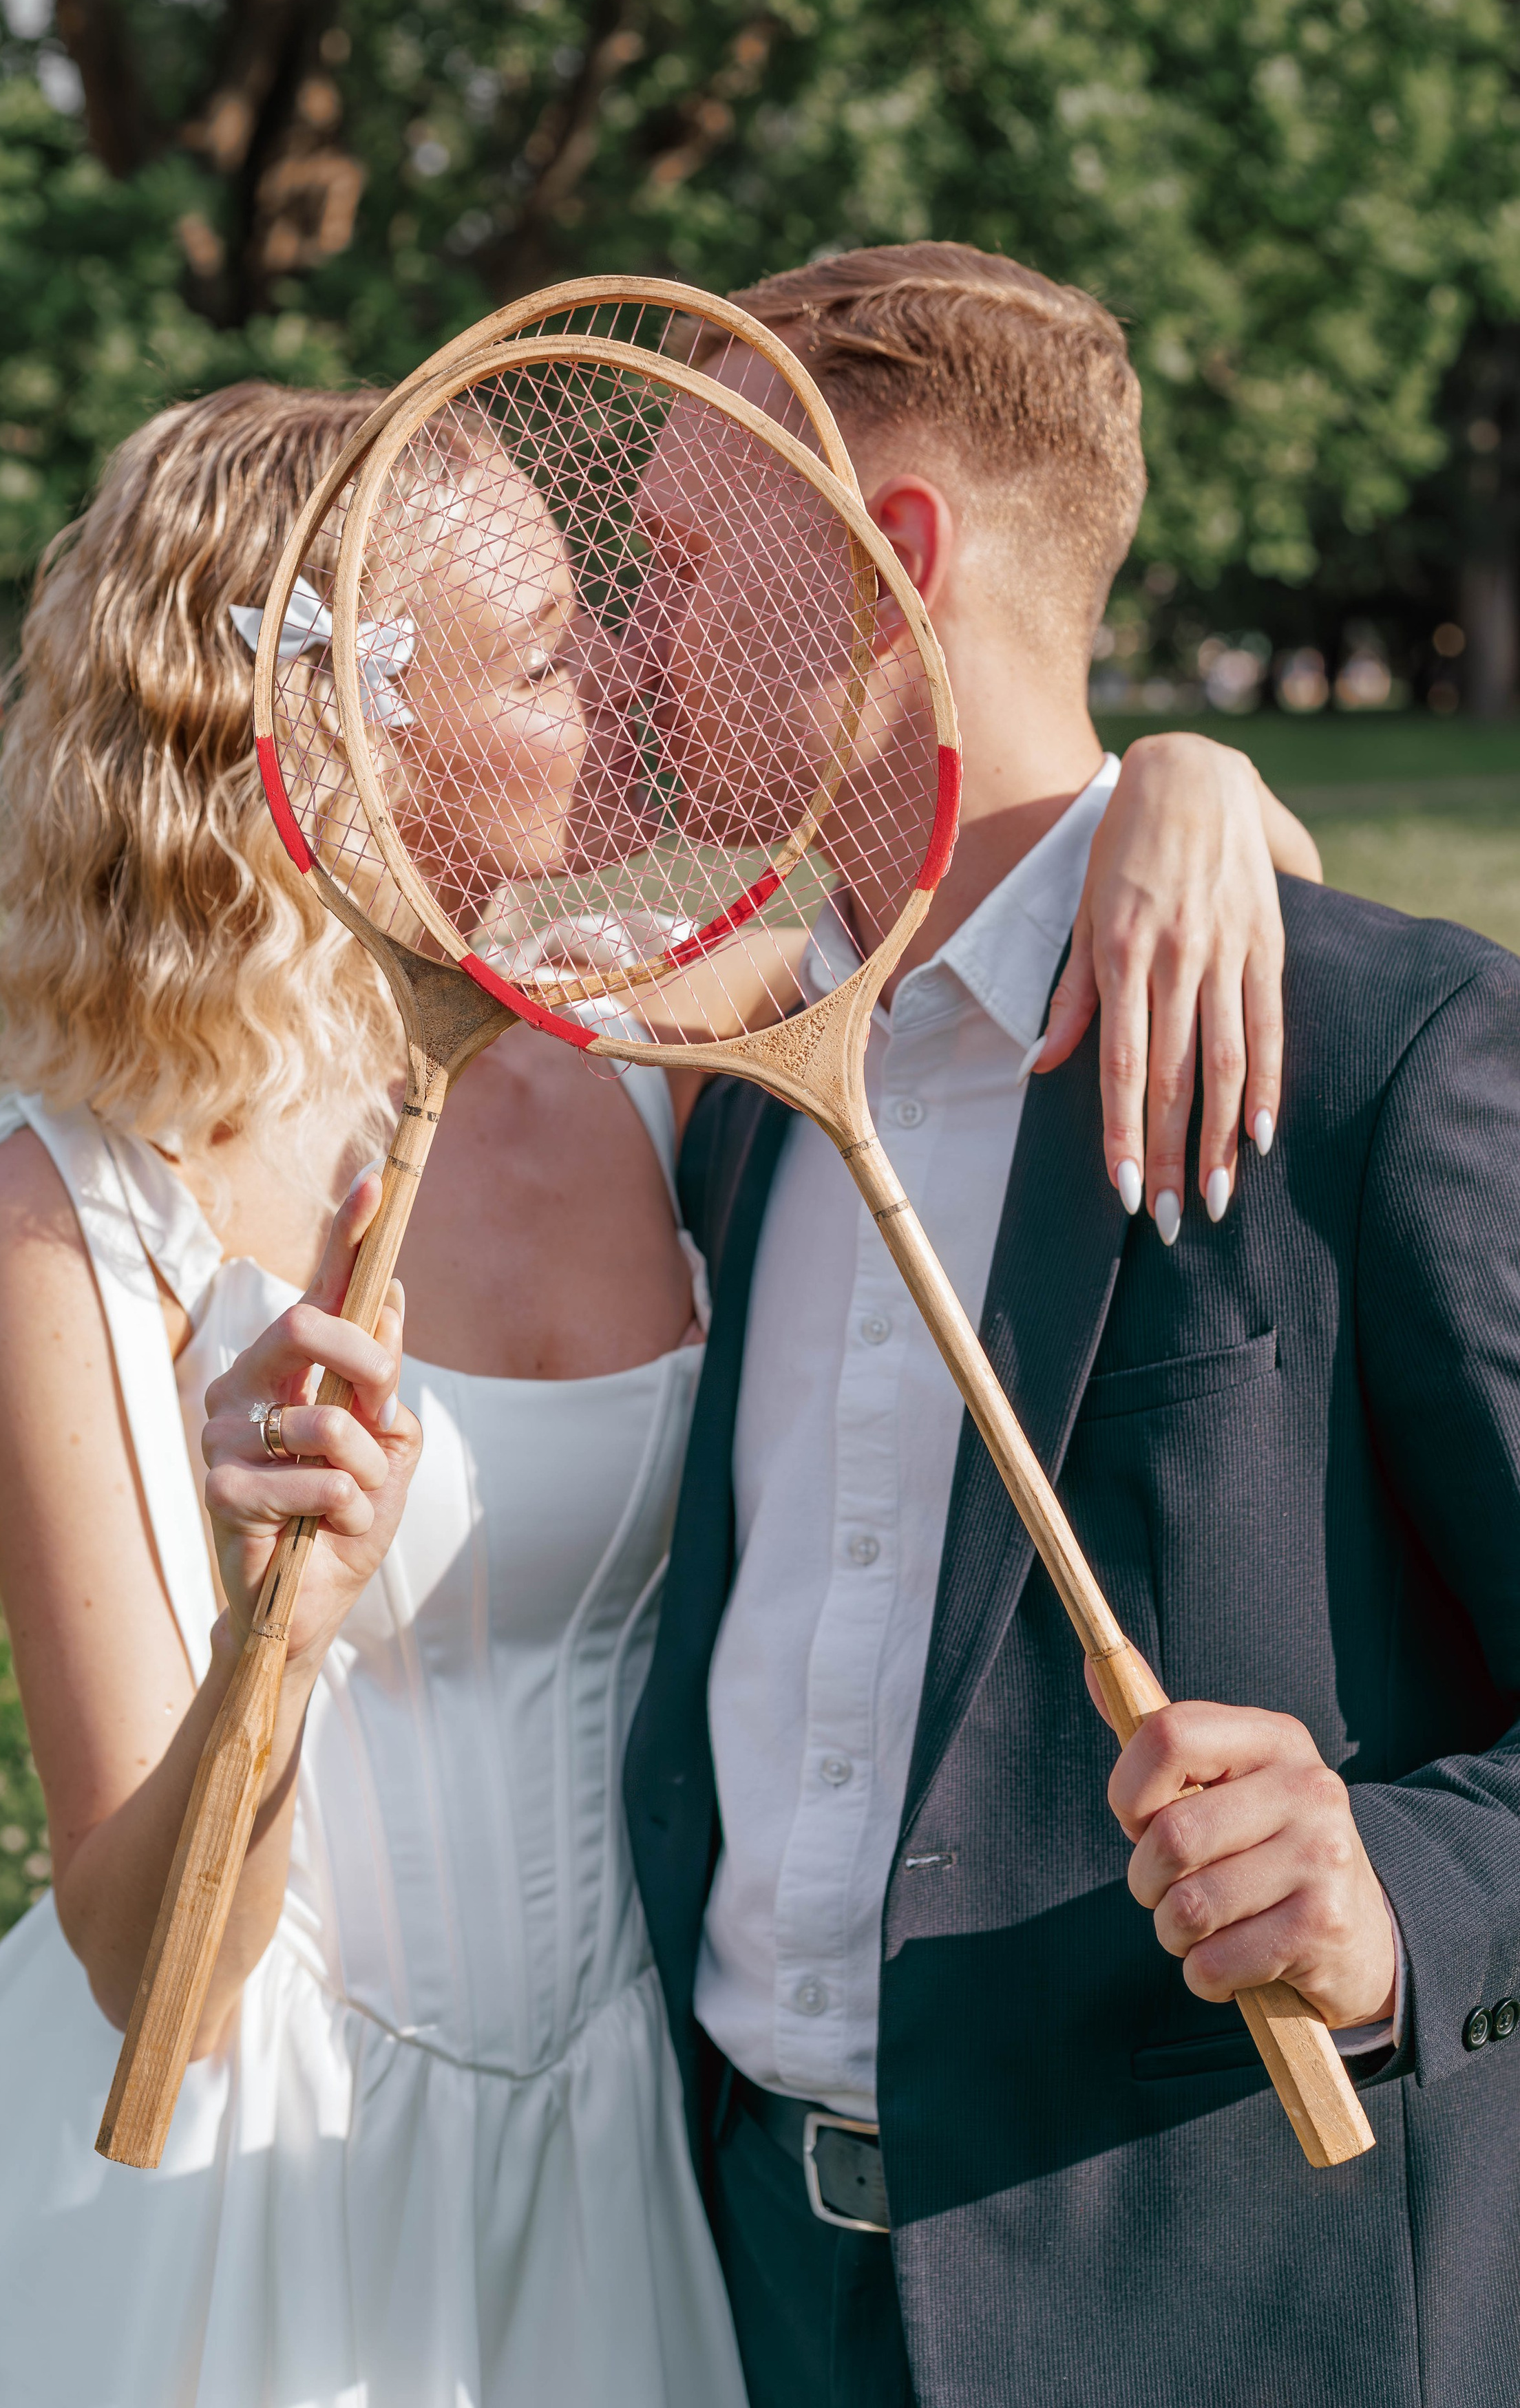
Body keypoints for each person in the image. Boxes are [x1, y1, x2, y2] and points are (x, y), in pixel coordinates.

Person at [0, 367, 1313, 2408]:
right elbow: (156, 1971)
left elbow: (1020, 888)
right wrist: (280, 1640)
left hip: (633, 2143)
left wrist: (1187, 787)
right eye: (543, 649)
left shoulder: (649, 1042)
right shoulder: (70, 1206)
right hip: (259, 2188)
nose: (627, 668)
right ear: (343, 727)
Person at [622, 241, 1520, 2408]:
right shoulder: (731, 1102)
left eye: (660, 564)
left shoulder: (1384, 1058)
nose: (611, 637)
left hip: (1208, 2310)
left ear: (892, 552)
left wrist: (1388, 1890)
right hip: (740, 2284)